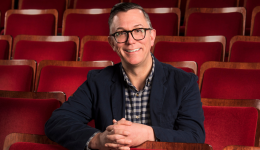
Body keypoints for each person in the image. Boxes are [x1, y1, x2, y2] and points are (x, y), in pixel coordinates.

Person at [45, 2, 205, 150]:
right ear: (112, 43)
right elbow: (57, 122)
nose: (131, 41)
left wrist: (149, 134)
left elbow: (195, 137)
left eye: (138, 31)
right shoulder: (98, 82)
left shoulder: (184, 82)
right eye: (121, 33)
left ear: (152, 37)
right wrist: (99, 140)